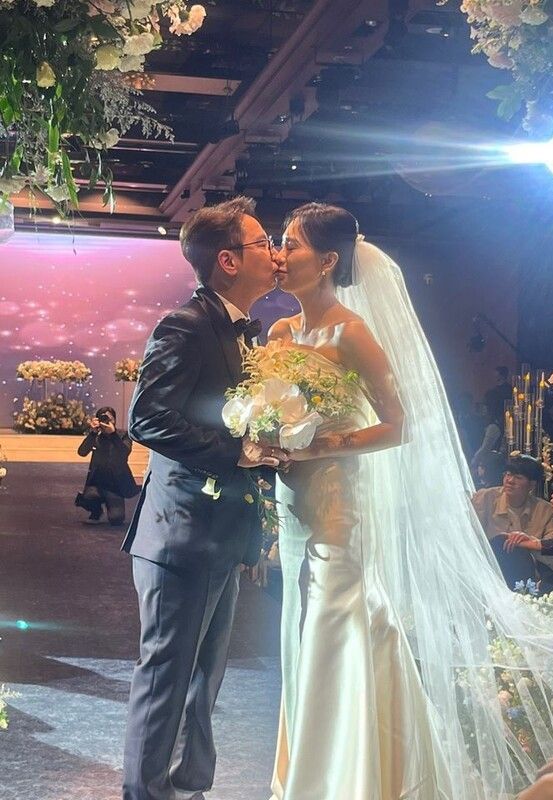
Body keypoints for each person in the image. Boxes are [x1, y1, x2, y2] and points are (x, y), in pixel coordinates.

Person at [267, 201, 553, 800]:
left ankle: (345, 779)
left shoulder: (352, 332)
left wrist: (324, 444)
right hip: (293, 502)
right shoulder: (279, 333)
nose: (279, 254)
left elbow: (400, 425)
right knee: (297, 623)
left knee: (334, 619)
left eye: (291, 244)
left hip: (339, 503)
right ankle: (309, 770)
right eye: (280, 242)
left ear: (328, 260)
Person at [121, 197, 288, 800]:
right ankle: (146, 792)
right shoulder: (186, 325)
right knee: (167, 675)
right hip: (182, 532)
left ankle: (188, 784)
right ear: (227, 260)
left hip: (221, 531)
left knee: (205, 676)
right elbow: (147, 419)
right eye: (262, 242)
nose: (275, 254)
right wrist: (236, 452)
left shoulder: (243, 331)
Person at [472, 455, 553, 588]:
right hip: (485, 573)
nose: (510, 481)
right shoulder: (485, 498)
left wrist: (529, 543)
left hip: (526, 579)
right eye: (508, 474)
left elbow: (552, 547)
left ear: (532, 484)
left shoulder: (544, 510)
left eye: (518, 477)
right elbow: (469, 536)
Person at [75, 406, 139, 526]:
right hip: (97, 483)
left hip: (115, 485)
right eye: (102, 418)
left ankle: (111, 504)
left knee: (116, 519)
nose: (106, 421)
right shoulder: (96, 436)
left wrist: (113, 434)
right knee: (89, 497)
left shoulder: (123, 435)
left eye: (109, 418)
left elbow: (124, 453)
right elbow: (82, 452)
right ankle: (96, 511)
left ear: (114, 420)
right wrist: (92, 433)